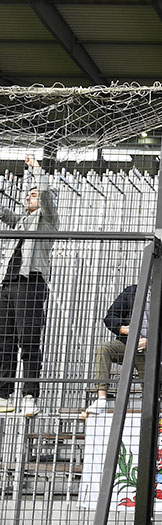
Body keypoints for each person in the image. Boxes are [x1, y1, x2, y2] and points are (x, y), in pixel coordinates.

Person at [0, 159, 58, 417]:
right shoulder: (24, 221)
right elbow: (5, 213)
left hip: (30, 283)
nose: (29, 198)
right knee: (5, 341)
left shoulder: (48, 220)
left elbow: (45, 194)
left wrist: (36, 170)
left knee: (29, 340)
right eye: (27, 195)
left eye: (33, 195)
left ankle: (30, 395)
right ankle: (3, 393)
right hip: (8, 284)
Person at [85, 282, 162, 415]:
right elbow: (110, 316)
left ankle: (149, 414)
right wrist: (122, 329)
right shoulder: (132, 292)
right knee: (104, 349)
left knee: (150, 392)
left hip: (153, 352)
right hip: (128, 343)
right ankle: (101, 398)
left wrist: (151, 341)